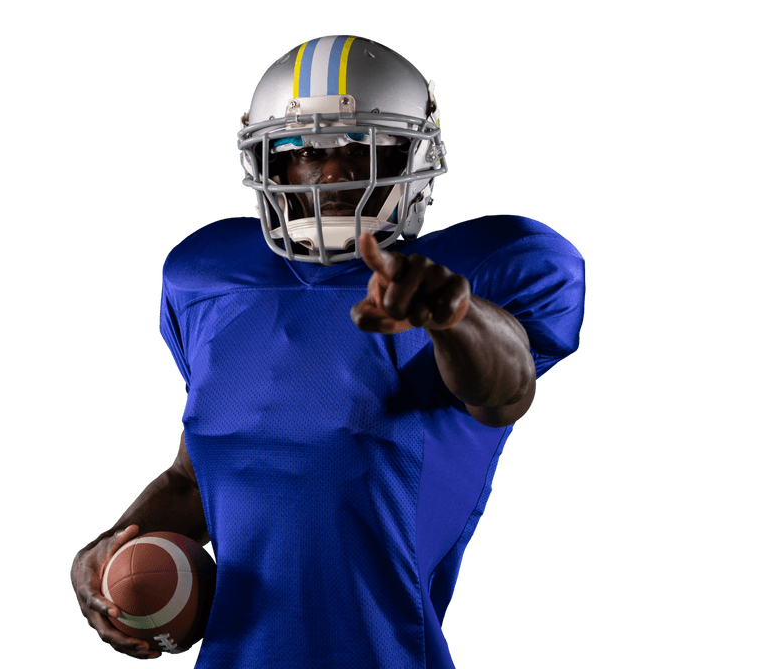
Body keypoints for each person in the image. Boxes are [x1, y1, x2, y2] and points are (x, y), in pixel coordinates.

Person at [72, 35, 585, 668]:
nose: (332, 174)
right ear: (265, 163)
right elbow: (196, 477)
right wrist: (111, 554)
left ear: (414, 154)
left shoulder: (481, 269)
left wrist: (454, 316)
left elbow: (505, 392)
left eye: (359, 148)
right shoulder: (209, 280)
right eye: (298, 151)